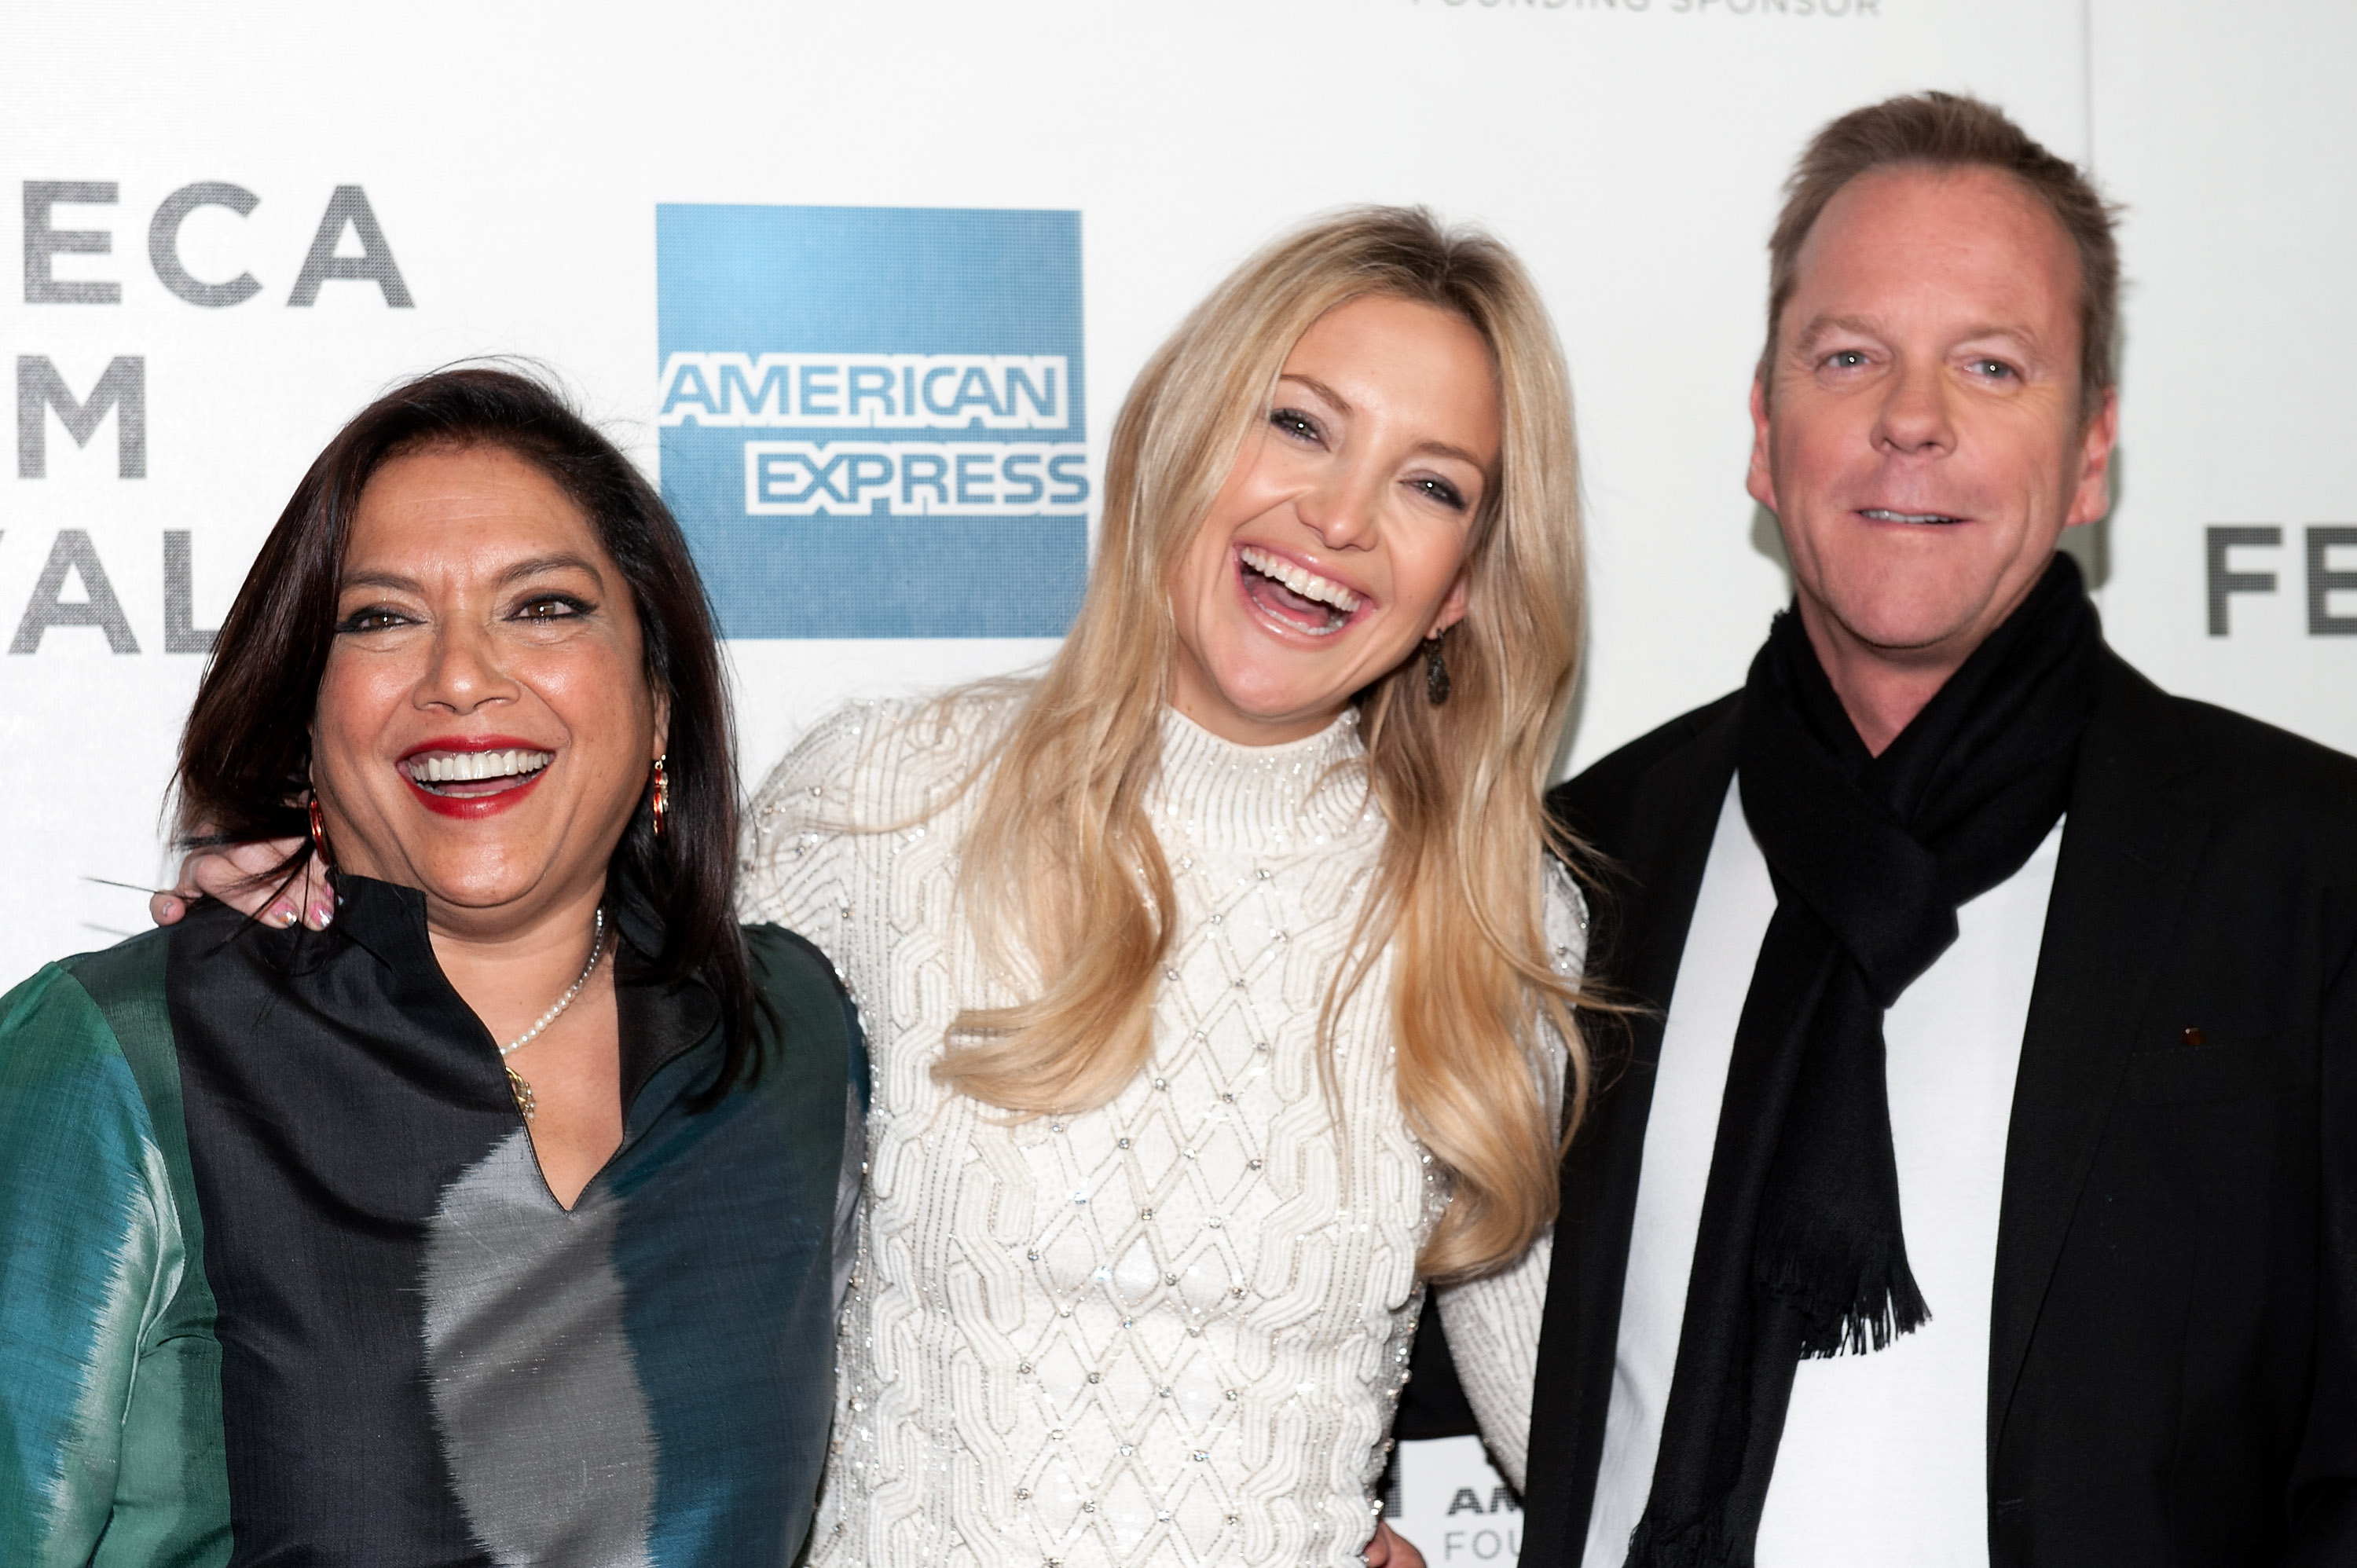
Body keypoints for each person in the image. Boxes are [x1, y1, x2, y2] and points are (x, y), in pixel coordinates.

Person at [1416, 92, 2357, 1566]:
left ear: (2093, 451)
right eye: (1850, 356)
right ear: (1762, 432)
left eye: (1992, 364)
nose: (1913, 419)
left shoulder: (2307, 875)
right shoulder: (1576, 870)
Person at [735, 206, 1593, 1568]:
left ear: (1462, 592)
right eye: (1299, 424)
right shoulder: (876, 806)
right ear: (1180, 440)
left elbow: (1586, 1439)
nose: (1339, 517)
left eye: (1431, 486)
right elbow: (646, 1271)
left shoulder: (1489, 917)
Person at [1, 367, 864, 1563]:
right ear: (305, 720)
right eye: (381, 619)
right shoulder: (126, 1058)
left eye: (546, 608)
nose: (461, 676)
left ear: (660, 705)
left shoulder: (801, 1039)